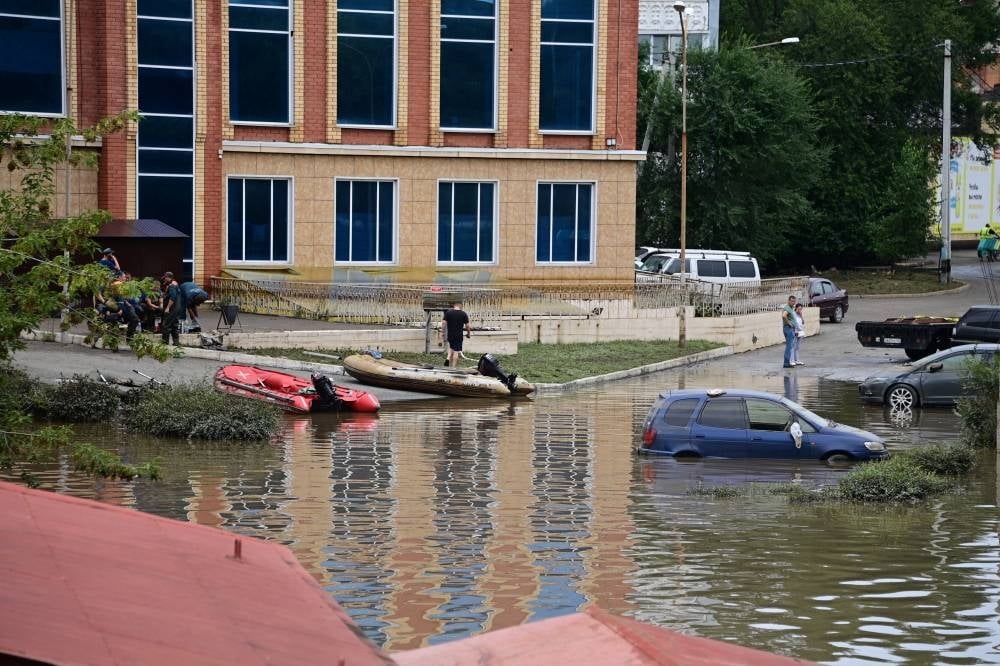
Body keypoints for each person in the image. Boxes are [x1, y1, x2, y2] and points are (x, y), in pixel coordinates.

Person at [441, 301, 471, 367]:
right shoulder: (463, 314)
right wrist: (468, 333)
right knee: (456, 351)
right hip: (458, 335)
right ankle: (453, 368)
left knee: (451, 347)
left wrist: (442, 332)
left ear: (454, 306)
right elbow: (467, 326)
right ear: (460, 307)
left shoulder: (448, 313)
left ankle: (448, 358)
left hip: (450, 335)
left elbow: (443, 323)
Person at [160, 272, 183, 346]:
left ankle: (164, 344)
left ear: (168, 277)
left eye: (165, 277)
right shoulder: (174, 284)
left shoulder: (172, 286)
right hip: (176, 309)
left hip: (172, 309)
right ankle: (176, 343)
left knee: (166, 325)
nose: (164, 279)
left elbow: (172, 298)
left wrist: (167, 308)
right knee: (174, 325)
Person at [781, 295, 797, 369]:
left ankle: (787, 362)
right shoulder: (787, 308)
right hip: (788, 329)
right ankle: (786, 363)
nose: (793, 303)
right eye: (792, 301)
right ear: (788, 301)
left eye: (794, 301)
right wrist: (789, 323)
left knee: (789, 346)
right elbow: (784, 316)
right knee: (789, 346)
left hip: (789, 329)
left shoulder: (790, 308)